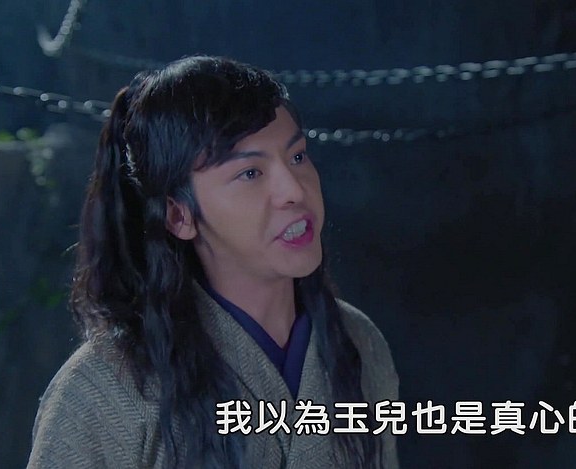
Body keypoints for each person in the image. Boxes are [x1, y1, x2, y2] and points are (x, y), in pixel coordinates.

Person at [27, 56, 400, 468]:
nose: (294, 190)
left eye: (297, 157)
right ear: (179, 215)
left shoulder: (358, 342)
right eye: (250, 173)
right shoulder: (104, 388)